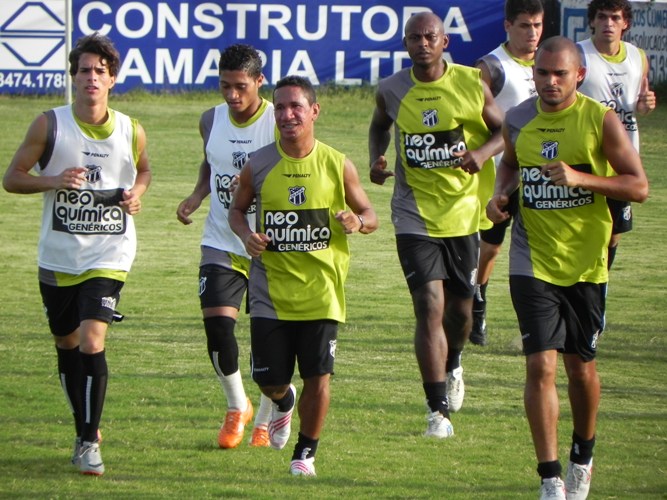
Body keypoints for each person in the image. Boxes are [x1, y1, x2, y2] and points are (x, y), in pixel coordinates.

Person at [486, 36, 648, 499]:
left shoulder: (601, 121)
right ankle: (550, 477)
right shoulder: (517, 120)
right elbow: (510, 168)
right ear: (532, 74)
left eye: (560, 74)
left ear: (579, 75)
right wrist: (500, 198)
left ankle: (583, 454)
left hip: (586, 265)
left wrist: (581, 177)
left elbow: (639, 187)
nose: (550, 82)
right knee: (540, 365)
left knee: (581, 369)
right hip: (531, 259)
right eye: (542, 73)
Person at [2, 33, 152, 475]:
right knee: (66, 344)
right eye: (84, 70)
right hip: (59, 254)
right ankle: (82, 424)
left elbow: (143, 171)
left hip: (110, 250)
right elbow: (12, 178)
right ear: (74, 77)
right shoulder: (48, 125)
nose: (91, 78)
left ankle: (88, 441)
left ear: (113, 80)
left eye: (100, 72)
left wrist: (136, 195)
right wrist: (54, 181)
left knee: (92, 340)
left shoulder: (131, 128)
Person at [229, 75, 378, 476]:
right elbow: (237, 211)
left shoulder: (336, 163)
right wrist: (246, 237)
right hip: (269, 293)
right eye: (279, 107)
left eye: (296, 106)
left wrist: (355, 222)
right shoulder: (258, 164)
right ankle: (282, 401)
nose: (287, 114)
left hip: (322, 292)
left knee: (319, 377)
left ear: (314, 111)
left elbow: (372, 216)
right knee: (268, 381)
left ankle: (305, 454)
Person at [368, 11, 504, 437]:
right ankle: (436, 410)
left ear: (444, 42)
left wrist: (481, 155)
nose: (422, 44)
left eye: (430, 37)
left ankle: (455, 361)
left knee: (460, 313)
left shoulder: (468, 82)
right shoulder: (391, 89)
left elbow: (508, 131)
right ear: (406, 44)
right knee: (428, 304)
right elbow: (379, 126)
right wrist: (377, 156)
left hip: (464, 214)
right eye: (414, 38)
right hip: (413, 215)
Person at [176, 44, 275, 449]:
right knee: (217, 327)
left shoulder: (278, 121)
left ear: (259, 82)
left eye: (240, 87)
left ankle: (267, 419)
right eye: (224, 86)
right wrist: (197, 195)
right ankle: (238, 406)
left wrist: (253, 186)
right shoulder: (209, 120)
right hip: (221, 237)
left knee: (271, 339)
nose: (232, 96)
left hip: (270, 244)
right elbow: (211, 160)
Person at [470, 0, 544, 346]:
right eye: (525, 26)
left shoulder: (550, 64)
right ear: (507, 26)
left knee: (540, 248)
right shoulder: (491, 66)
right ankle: (478, 299)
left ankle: (542, 316)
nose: (532, 33)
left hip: (544, 176)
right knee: (491, 248)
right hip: (502, 175)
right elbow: (473, 119)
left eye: (538, 26)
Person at [577, 0, 656, 272]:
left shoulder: (638, 57)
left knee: (614, 235)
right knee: (586, 230)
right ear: (592, 21)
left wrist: (644, 106)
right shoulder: (578, 56)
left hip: (623, 162)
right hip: (587, 158)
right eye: (602, 17)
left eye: (614, 18)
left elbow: (637, 104)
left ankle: (599, 289)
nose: (608, 24)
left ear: (626, 23)